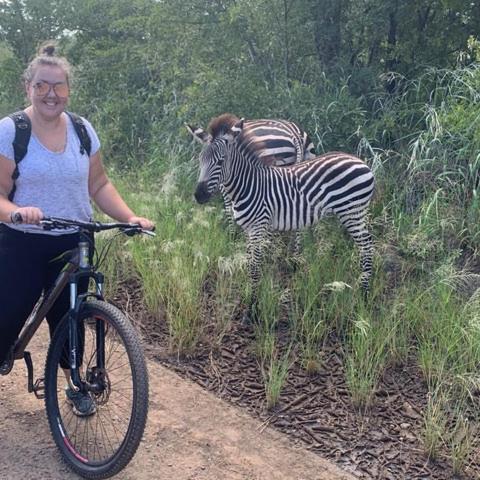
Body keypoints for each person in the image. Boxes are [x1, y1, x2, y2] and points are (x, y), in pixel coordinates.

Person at [0, 43, 154, 416]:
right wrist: (17, 213)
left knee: (71, 318)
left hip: (75, 239)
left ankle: (73, 382)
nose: (50, 94)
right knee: (8, 315)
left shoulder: (83, 130)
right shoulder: (11, 131)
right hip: (24, 241)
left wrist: (130, 216)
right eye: (42, 85)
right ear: (28, 87)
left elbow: (98, 184)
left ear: (69, 89)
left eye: (58, 86)